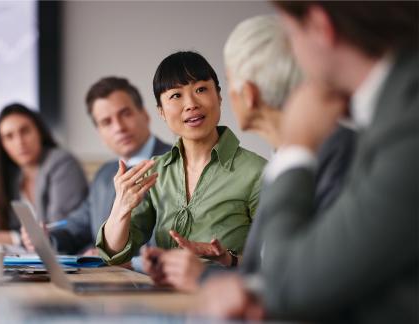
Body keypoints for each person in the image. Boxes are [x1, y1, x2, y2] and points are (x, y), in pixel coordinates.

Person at [199, 1, 418, 322]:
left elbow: (290, 280)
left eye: (290, 34)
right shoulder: (388, 109)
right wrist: (258, 290)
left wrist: (297, 147)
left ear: (319, 26)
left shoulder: (405, 126)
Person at [142, 15, 355, 292]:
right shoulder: (284, 158)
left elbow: (306, 279)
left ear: (249, 94)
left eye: (225, 83)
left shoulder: (323, 155)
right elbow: (267, 269)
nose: (193, 103)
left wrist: (205, 277)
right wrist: (225, 263)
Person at [97, 51, 266, 266]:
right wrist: (120, 208)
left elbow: (280, 259)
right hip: (166, 297)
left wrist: (229, 260)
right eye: (176, 95)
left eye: (201, 89)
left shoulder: (257, 172)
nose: (191, 104)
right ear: (161, 111)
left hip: (226, 295)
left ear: (219, 96)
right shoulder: (154, 171)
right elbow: (114, 253)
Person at [21, 77, 171, 255]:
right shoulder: (104, 175)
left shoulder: (176, 162)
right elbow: (77, 227)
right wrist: (45, 238)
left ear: (145, 115)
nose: (119, 127)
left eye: (125, 114)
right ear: (100, 133)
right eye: (106, 122)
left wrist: (109, 257)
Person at [0, 103, 88, 245]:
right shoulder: (14, 177)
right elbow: (13, 228)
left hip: (72, 257)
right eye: (9, 136)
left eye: (25, 131)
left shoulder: (63, 163)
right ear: (3, 145)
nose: (19, 142)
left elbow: (59, 230)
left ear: (39, 131)